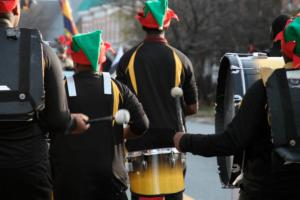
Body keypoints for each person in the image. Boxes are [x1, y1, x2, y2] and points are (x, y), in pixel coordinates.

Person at [174, 17, 300, 200]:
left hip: (265, 191)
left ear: (284, 48)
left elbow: (231, 141)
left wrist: (184, 141)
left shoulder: (266, 88)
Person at [0, 1, 89, 199]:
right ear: (16, 9)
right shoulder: (41, 50)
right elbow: (58, 120)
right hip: (29, 170)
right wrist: (73, 121)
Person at [50, 30, 149, 200]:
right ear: (101, 58)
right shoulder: (118, 88)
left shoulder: (60, 89)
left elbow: (46, 126)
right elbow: (142, 125)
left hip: (69, 183)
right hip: (111, 183)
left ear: (74, 59)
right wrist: (118, 134)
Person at [116, 0, 198, 199]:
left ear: (142, 24)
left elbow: (120, 105)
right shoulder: (182, 59)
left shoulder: (128, 60)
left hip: (139, 140)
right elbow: (193, 107)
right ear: (167, 24)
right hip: (174, 141)